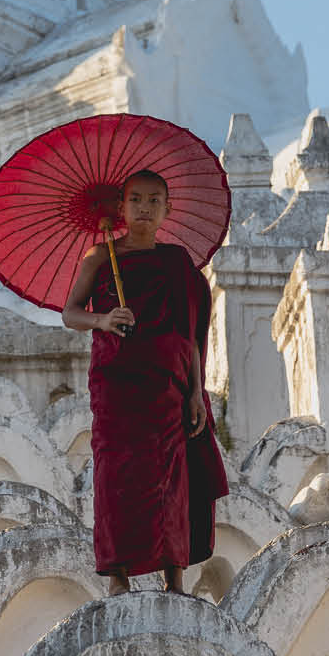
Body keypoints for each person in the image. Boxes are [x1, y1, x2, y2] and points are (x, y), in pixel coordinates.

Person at [61, 168, 229, 595]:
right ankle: (117, 576)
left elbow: (189, 334)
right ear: (121, 207)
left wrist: (195, 393)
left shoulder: (177, 264)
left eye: (155, 201)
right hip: (117, 386)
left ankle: (174, 572)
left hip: (167, 387)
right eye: (136, 200)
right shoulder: (100, 257)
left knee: (172, 479)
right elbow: (71, 313)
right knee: (116, 476)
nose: (144, 208)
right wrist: (104, 318)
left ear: (167, 210)